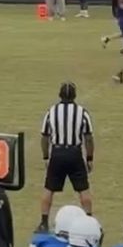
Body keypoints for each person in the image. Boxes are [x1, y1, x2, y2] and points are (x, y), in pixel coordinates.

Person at [40, 82, 94, 230]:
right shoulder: (82, 112)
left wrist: (46, 156)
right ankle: (89, 221)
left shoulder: (51, 111)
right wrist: (89, 158)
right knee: (83, 189)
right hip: (74, 152)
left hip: (57, 152)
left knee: (49, 188)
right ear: (75, 95)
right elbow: (88, 138)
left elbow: (44, 137)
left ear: (60, 94)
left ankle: (44, 222)